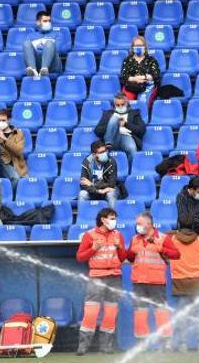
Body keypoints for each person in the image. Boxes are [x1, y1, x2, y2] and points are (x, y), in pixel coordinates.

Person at [76, 207, 127, 355]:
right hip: (96, 277)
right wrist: (93, 248)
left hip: (115, 277)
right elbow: (80, 257)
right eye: (111, 218)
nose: (114, 221)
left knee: (111, 313)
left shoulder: (118, 235)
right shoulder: (89, 235)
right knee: (91, 312)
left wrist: (119, 248)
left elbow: (123, 258)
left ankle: (106, 347)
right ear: (103, 219)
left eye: (114, 218)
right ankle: (83, 347)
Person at [126, 211, 180, 348]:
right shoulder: (135, 239)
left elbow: (176, 254)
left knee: (161, 312)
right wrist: (131, 251)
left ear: (149, 224)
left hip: (156, 282)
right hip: (138, 282)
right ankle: (141, 342)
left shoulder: (162, 238)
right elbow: (130, 258)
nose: (137, 226)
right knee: (140, 312)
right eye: (136, 223)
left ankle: (166, 341)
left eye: (139, 224)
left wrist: (160, 247)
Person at [168, 216, 199, 352]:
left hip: (181, 282)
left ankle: (182, 344)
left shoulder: (172, 239)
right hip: (198, 281)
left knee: (182, 314)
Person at [94, 93, 146, 162]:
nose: (120, 107)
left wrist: (126, 124)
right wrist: (112, 125)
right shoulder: (108, 114)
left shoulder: (134, 113)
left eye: (122, 104)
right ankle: (108, 145)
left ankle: (131, 170)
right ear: (114, 105)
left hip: (126, 136)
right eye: (118, 105)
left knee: (132, 149)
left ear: (126, 103)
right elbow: (97, 131)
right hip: (111, 138)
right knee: (114, 119)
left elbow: (142, 130)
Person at [0, 108, 27, 190]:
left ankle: (9, 196)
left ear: (9, 120)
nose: (1, 123)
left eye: (3, 120)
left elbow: (18, 152)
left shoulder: (18, 134)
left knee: (16, 178)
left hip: (12, 165)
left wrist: (5, 139)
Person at [79, 141, 122, 209]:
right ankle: (81, 217)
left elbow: (111, 184)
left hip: (107, 191)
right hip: (94, 191)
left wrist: (92, 184)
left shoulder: (111, 161)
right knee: (82, 194)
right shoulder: (87, 162)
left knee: (110, 194)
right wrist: (98, 191)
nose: (104, 153)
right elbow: (83, 184)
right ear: (94, 155)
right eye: (101, 152)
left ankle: (111, 216)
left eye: (105, 151)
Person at [120, 36, 161, 105]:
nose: (138, 47)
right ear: (132, 48)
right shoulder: (127, 60)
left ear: (145, 47)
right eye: (136, 46)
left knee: (142, 104)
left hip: (147, 86)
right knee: (126, 104)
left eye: (140, 45)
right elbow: (124, 75)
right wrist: (135, 79)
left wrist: (143, 78)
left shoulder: (151, 60)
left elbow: (155, 74)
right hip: (131, 86)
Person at [22, 10, 61, 77]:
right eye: (45, 21)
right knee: (26, 43)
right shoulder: (30, 36)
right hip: (36, 63)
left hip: (52, 64)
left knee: (49, 43)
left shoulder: (57, 34)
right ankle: (33, 70)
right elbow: (27, 52)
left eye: (49, 21)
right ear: (38, 22)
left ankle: (44, 69)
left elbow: (60, 49)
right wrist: (44, 47)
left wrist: (41, 47)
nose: (48, 23)